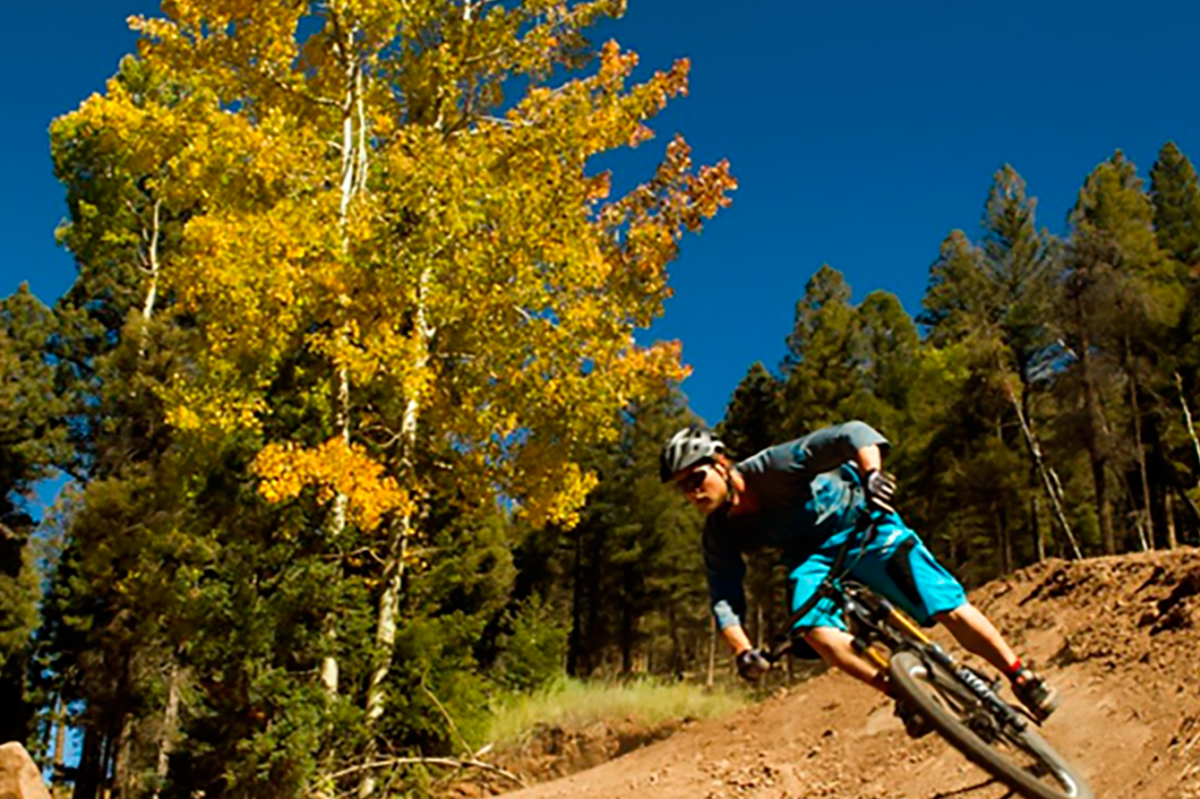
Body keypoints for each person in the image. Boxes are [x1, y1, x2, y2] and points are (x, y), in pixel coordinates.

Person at [659, 421, 1059, 737]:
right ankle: (906, 696)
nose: (693, 493)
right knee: (813, 631)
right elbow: (724, 597)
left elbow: (853, 433)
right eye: (684, 488)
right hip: (810, 559)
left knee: (945, 606)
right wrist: (743, 651)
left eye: (697, 479)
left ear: (722, 463)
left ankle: (1019, 674)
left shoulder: (775, 466)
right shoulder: (719, 532)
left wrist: (872, 476)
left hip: (860, 522)